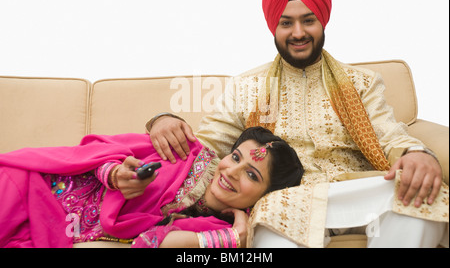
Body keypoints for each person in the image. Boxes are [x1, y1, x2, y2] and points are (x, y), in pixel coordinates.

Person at [147, 0, 448, 247]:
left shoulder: (362, 82)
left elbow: (390, 134)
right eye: (286, 23)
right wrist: (162, 119)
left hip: (357, 193)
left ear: (322, 21)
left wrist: (416, 154)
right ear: (273, 27)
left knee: (422, 199)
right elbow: (206, 146)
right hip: (287, 205)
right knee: (267, 225)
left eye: (308, 20)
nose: (299, 33)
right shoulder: (245, 87)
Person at [0, 126, 303, 248]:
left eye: (252, 175)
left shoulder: (210, 225)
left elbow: (150, 242)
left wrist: (232, 237)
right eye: (235, 157)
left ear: (265, 195)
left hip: (47, 229)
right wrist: (115, 173)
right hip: (32, 183)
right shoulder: (185, 150)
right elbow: (98, 147)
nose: (232, 171)